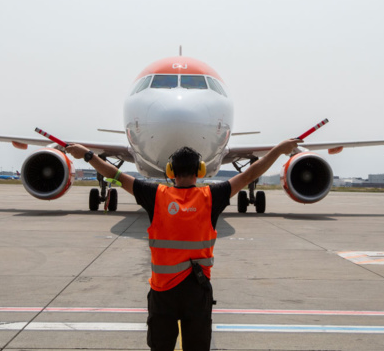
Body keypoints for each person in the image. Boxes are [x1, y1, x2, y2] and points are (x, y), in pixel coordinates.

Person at [66, 138, 301, 351]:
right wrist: (279, 149)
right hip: (197, 292)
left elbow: (115, 175)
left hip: (162, 294)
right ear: (199, 171)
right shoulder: (212, 196)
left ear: (170, 171)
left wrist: (87, 155)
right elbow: (250, 174)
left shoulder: (155, 195)